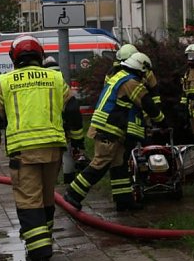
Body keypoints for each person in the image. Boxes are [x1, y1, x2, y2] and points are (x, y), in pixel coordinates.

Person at [0, 35, 84, 261]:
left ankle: (40, 259)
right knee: (47, 199)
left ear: (14, 57)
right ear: (39, 55)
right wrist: (78, 140)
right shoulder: (55, 78)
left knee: (29, 203)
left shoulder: (5, 82)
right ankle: (44, 243)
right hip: (53, 150)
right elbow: (72, 110)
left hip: (23, 152)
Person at [64, 52, 165, 212]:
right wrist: (162, 120)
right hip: (109, 129)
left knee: (119, 166)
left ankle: (124, 201)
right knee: (100, 164)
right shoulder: (131, 82)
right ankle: (73, 194)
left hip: (109, 129)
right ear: (141, 69)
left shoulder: (120, 77)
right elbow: (147, 103)